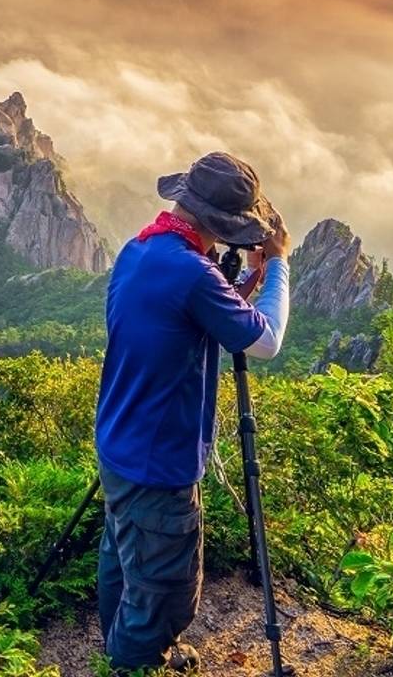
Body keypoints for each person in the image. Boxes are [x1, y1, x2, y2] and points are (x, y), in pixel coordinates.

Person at [94, 151, 291, 673]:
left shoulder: (141, 250)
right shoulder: (191, 272)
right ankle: (136, 662)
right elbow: (265, 341)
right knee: (165, 592)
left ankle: (120, 649)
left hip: (119, 443)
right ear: (222, 224)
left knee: (123, 557)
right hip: (160, 464)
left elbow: (190, 314)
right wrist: (278, 269)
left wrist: (240, 284)